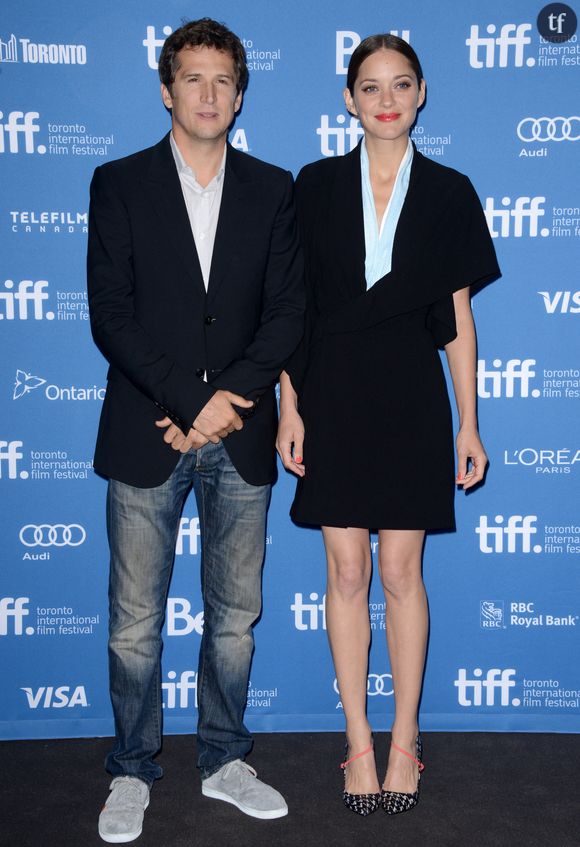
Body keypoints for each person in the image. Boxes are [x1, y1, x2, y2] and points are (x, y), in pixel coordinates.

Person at [87, 18, 303, 843]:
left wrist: (224, 404)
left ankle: (223, 759)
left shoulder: (273, 189)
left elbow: (286, 314)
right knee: (135, 618)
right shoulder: (119, 183)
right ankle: (134, 768)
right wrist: (187, 402)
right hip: (148, 429)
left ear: (240, 94)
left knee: (235, 614)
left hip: (241, 434)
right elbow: (111, 315)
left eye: (223, 80)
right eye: (192, 78)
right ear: (167, 89)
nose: (208, 94)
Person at [277, 34, 499, 817]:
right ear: (348, 99)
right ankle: (358, 739)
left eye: (400, 84)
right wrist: (289, 404)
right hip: (331, 390)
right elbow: (290, 310)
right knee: (346, 573)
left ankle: (405, 736)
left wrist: (469, 421)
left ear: (423, 92)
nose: (386, 99)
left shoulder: (448, 191)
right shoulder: (312, 185)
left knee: (402, 573)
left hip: (410, 394)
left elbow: (458, 318)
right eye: (369, 86)